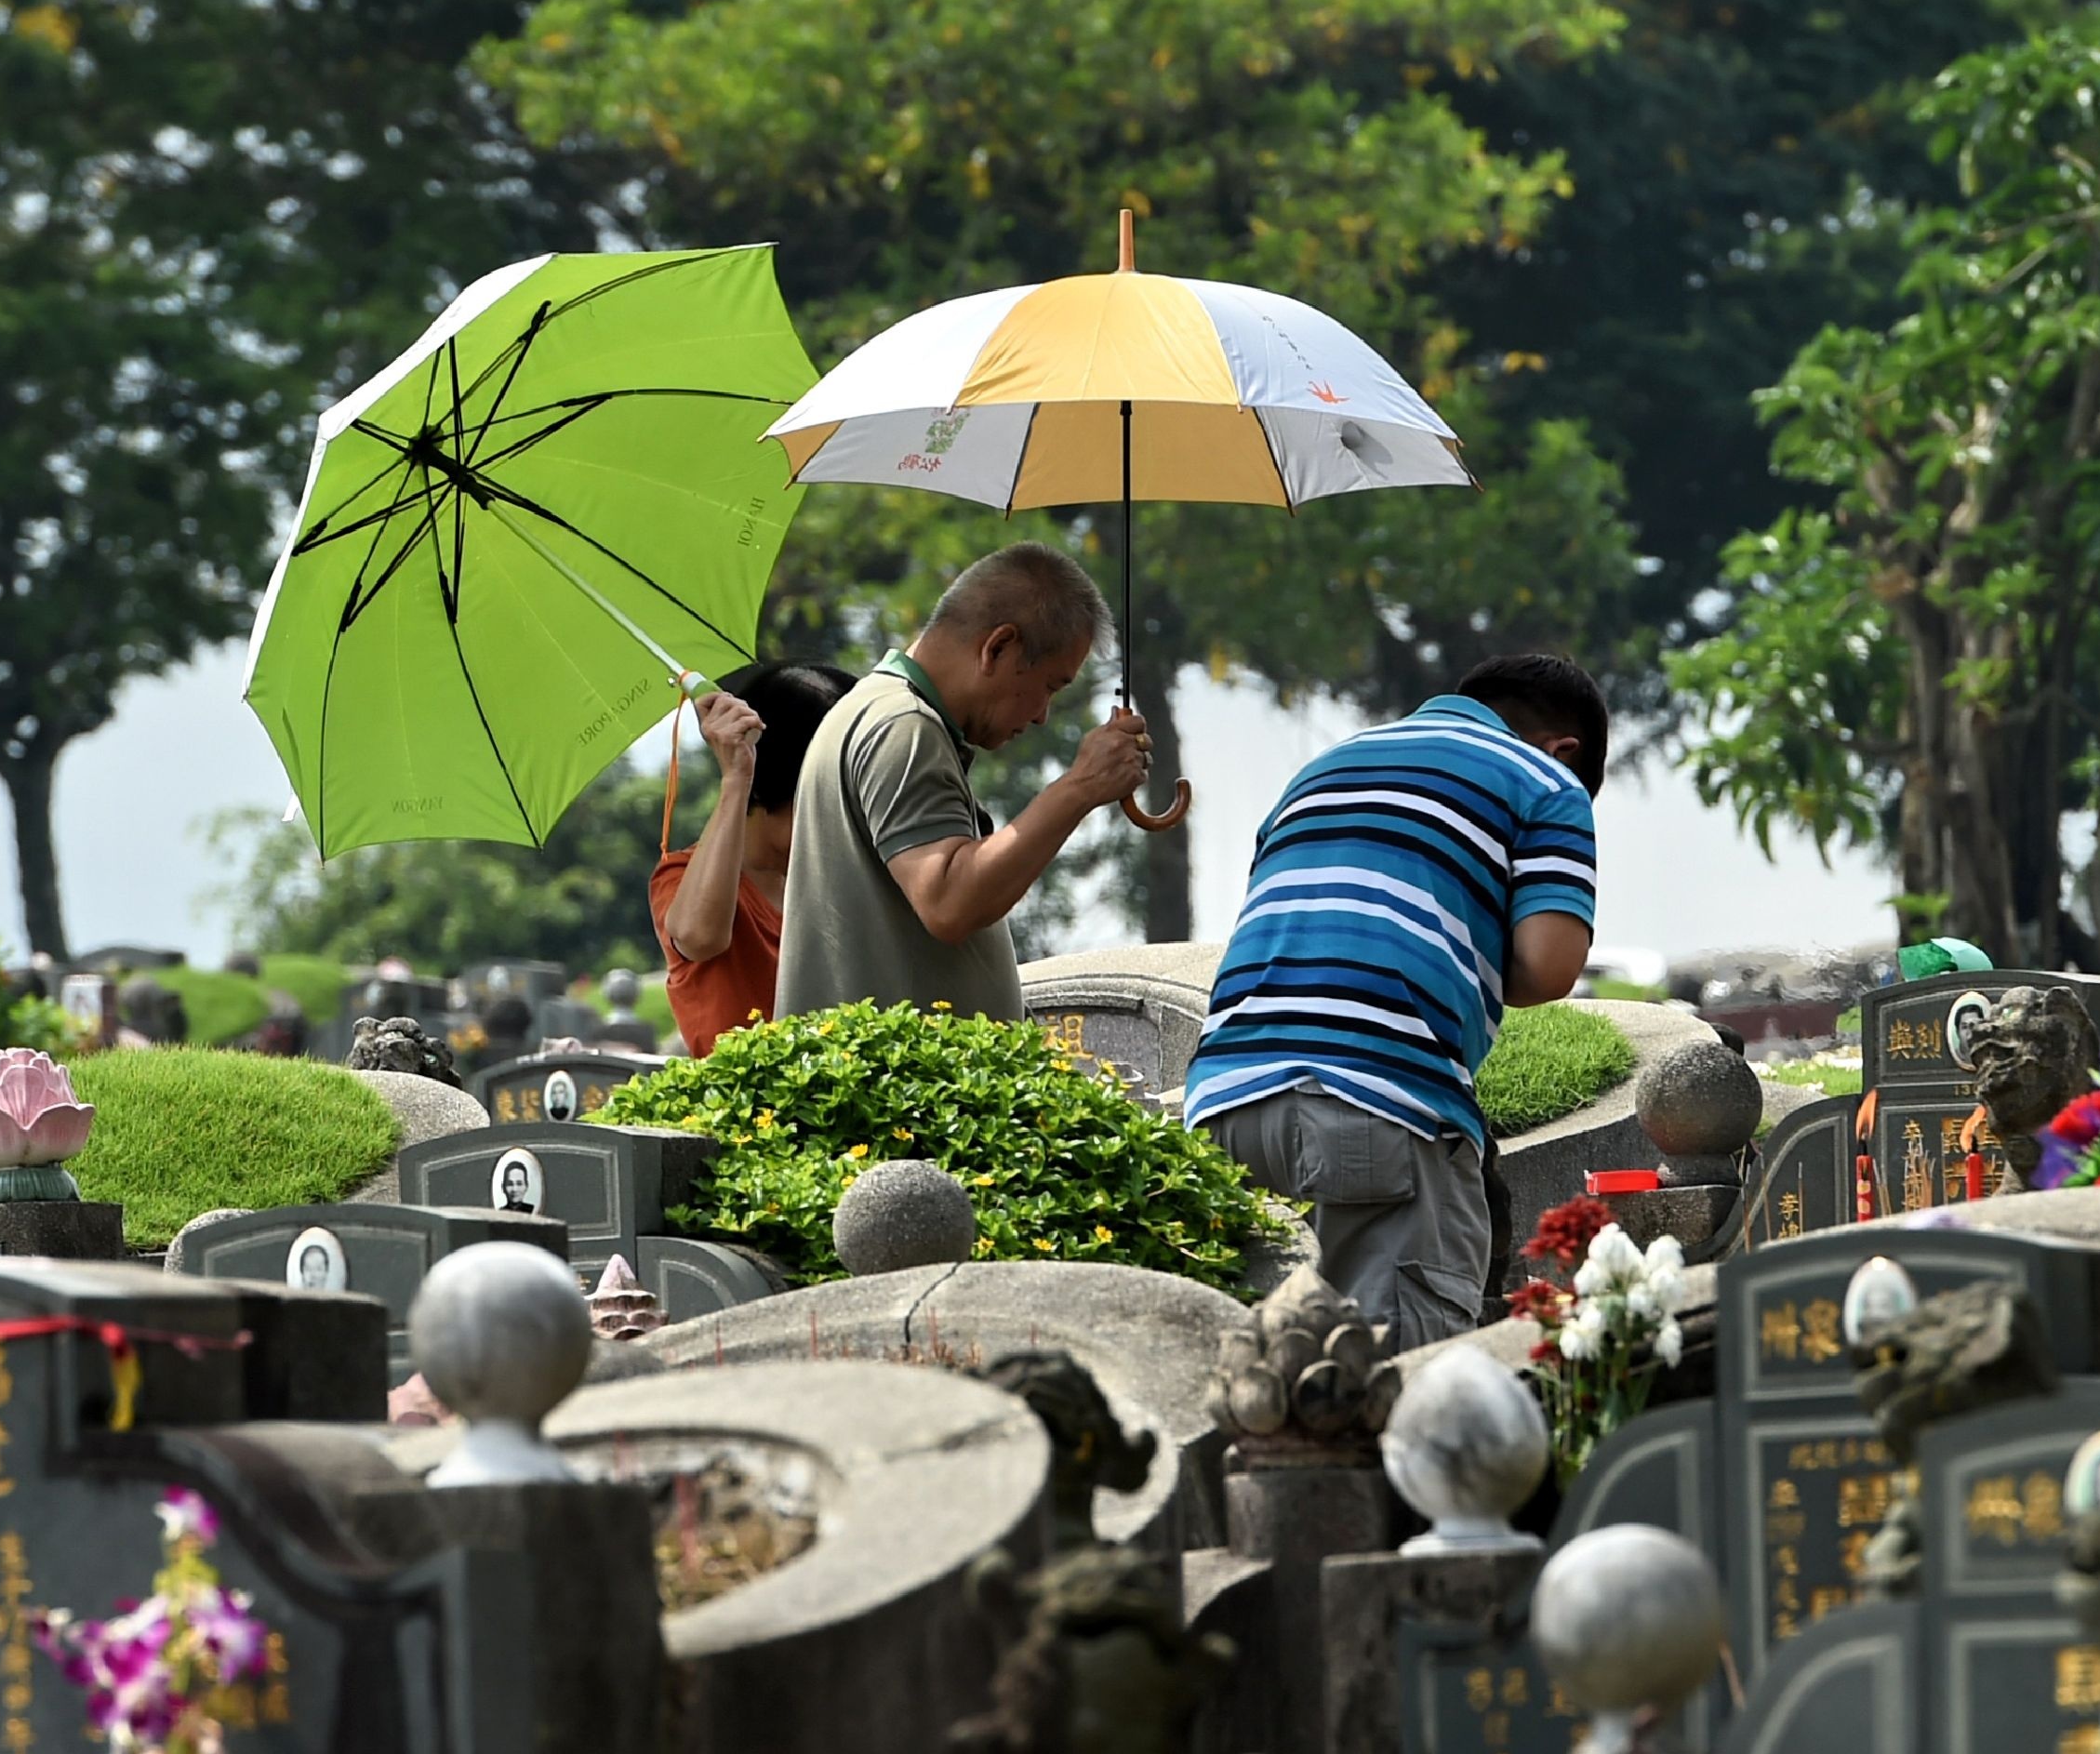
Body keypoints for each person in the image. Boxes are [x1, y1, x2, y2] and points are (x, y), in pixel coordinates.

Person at [1184, 655, 1603, 1351]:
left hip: (1222, 1104)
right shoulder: (1546, 779)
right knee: (1397, 1378)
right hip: (1377, 1103)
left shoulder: (1323, 768)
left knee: (1258, 1375)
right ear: (1565, 750)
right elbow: (1548, 965)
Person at [774, 542, 1150, 1024]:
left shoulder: (877, 709)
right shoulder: (904, 727)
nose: (1042, 715)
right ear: (998, 647)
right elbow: (949, 902)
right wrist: (1080, 787)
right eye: (1050, 685)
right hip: (895, 1073)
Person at [649, 659, 857, 1051]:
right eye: (827, 801)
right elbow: (699, 937)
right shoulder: (680, 876)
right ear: (772, 786)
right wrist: (737, 777)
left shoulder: (836, 882)